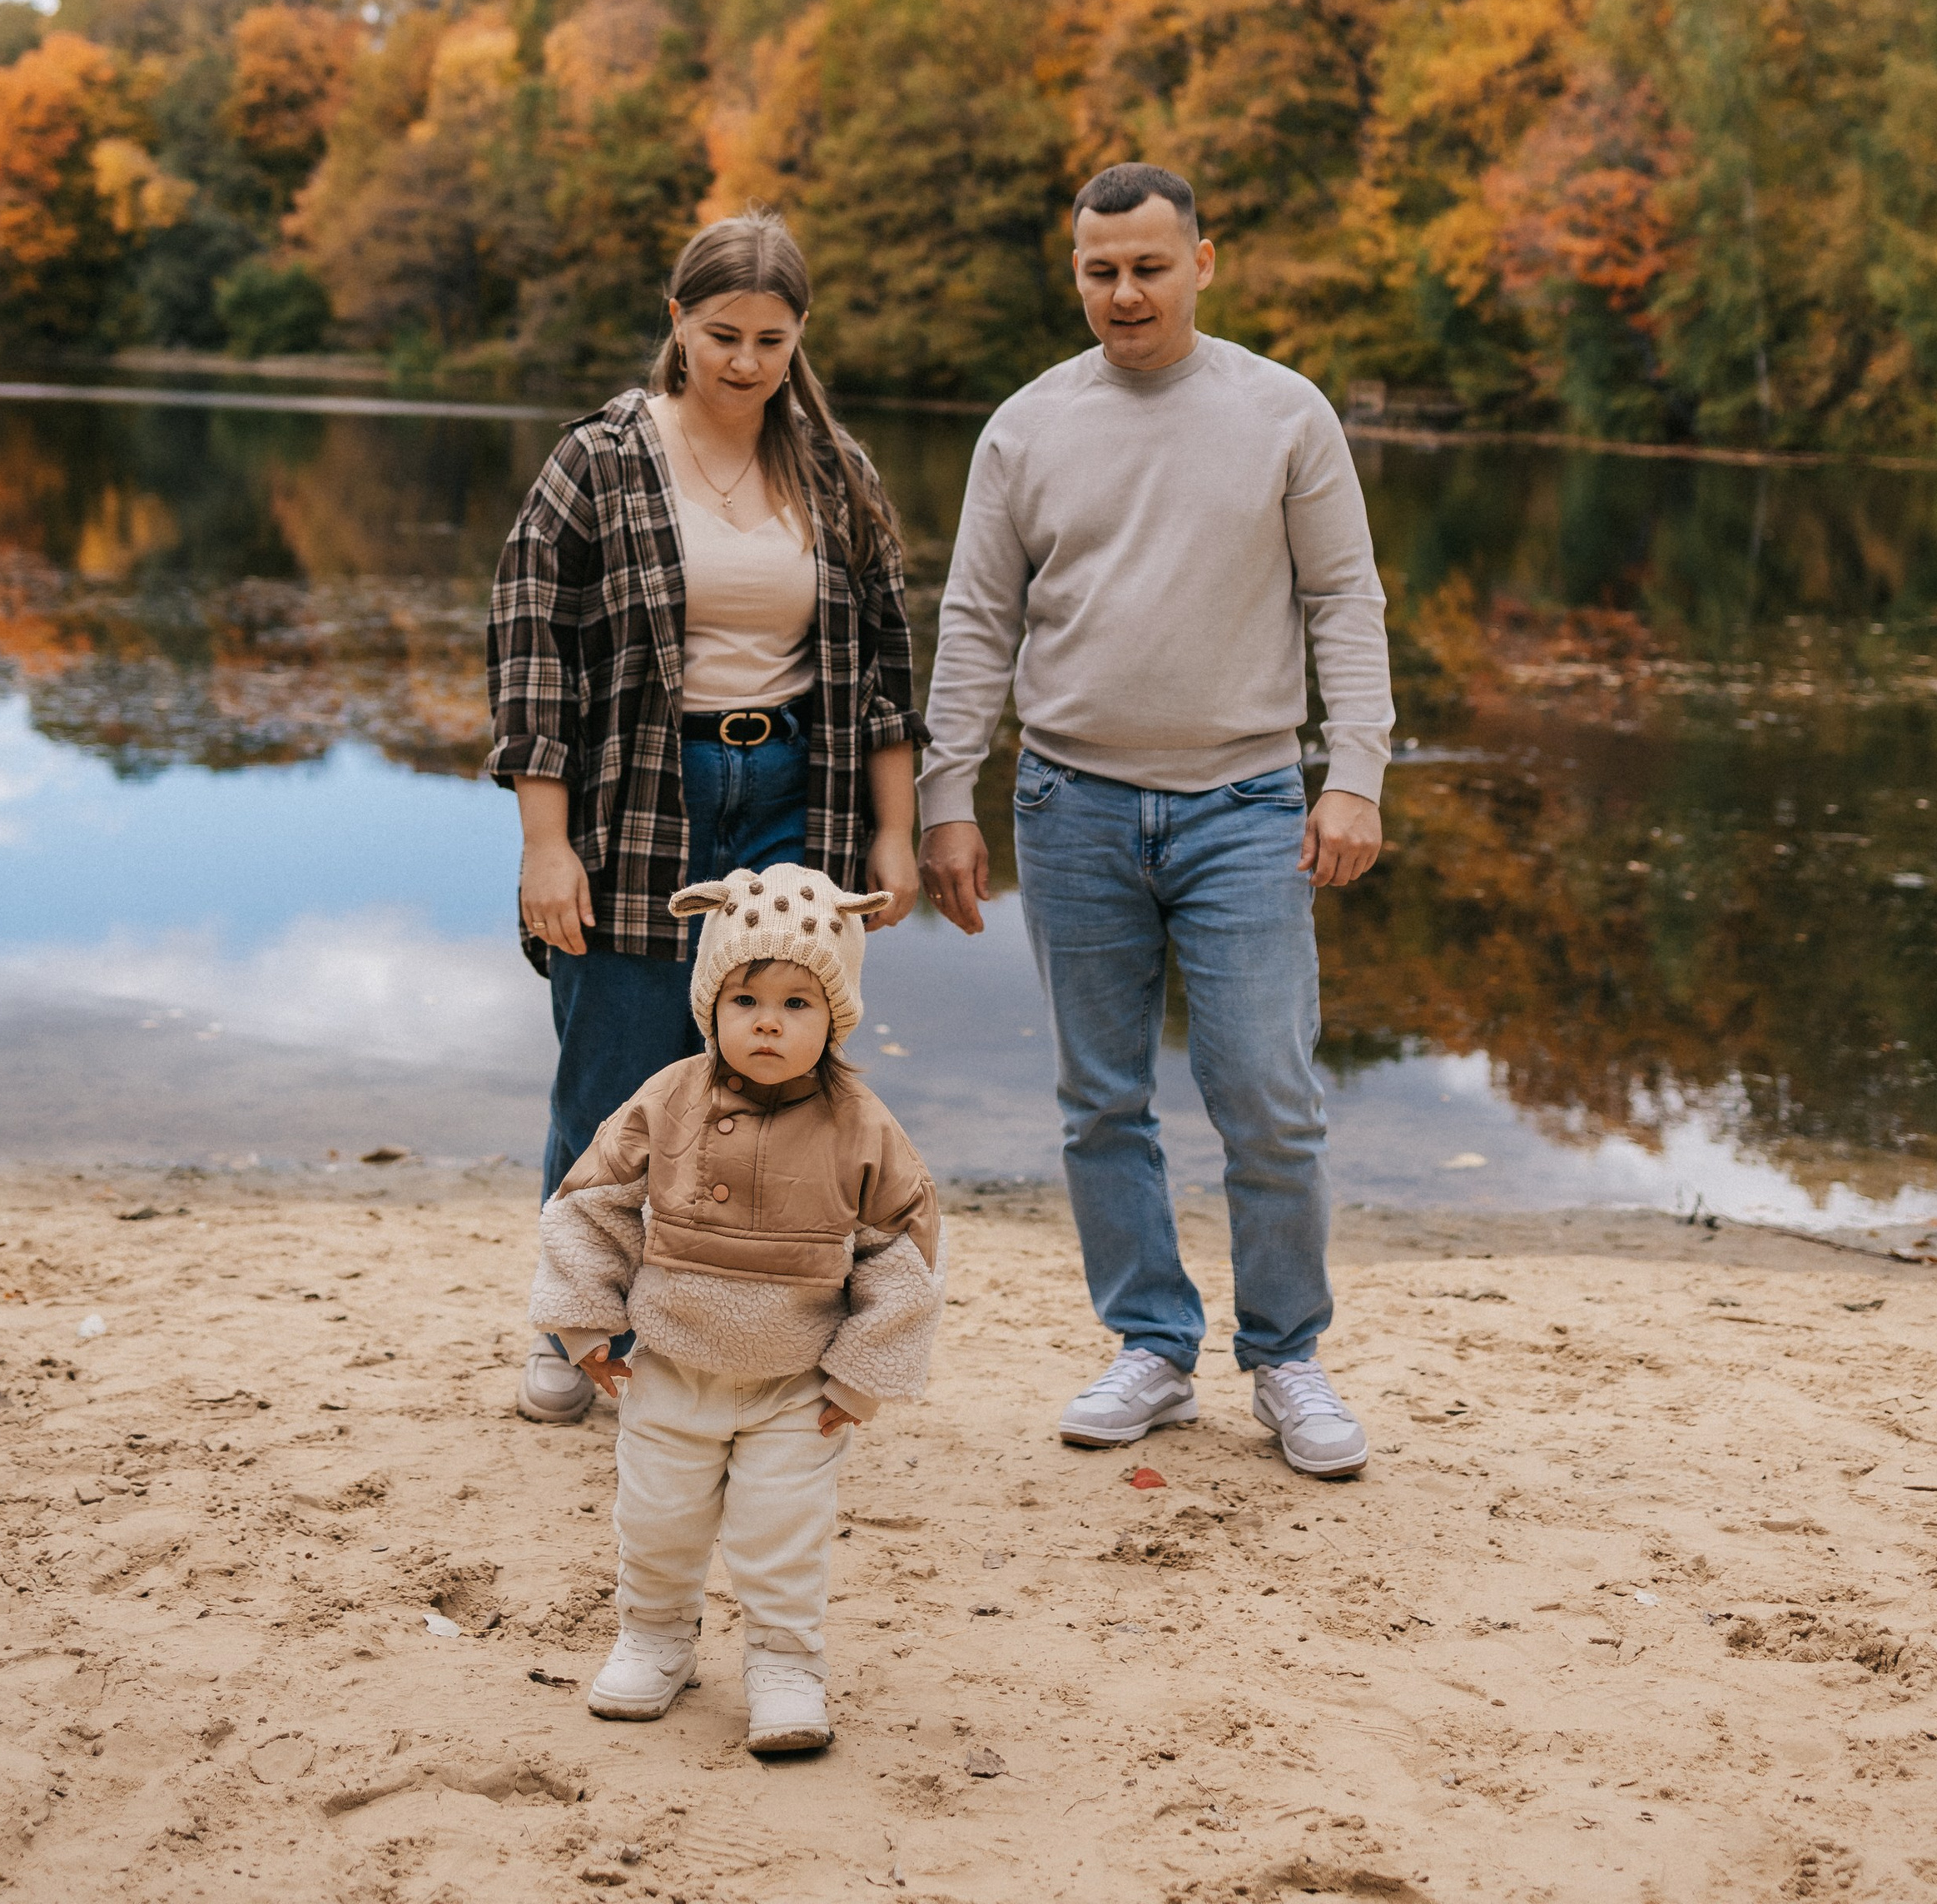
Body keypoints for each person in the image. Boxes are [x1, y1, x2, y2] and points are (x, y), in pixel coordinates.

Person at [916, 162, 1393, 1478]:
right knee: (1100, 1099)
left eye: (1149, 266)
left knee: (1269, 1093)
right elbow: (976, 621)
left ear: (1203, 262)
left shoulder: (1283, 413)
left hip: (1246, 800)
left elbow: (1345, 601)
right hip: (1071, 801)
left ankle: (1288, 1357)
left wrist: (1354, 772)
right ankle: (1152, 1347)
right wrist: (945, 794)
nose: (1124, 293)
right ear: (1075, 274)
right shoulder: (1025, 428)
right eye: (1099, 271)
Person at [489, 206, 924, 1429]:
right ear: (676, 321)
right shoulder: (601, 460)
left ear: (801, 339)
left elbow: (886, 669)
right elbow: (529, 658)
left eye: (772, 340)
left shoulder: (837, 473)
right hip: (638, 794)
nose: (745, 361)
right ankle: (575, 1327)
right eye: (722, 334)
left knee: (777, 1079)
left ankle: (746, 1336)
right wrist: (544, 839)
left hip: (797, 793)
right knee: (615, 1075)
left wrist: (893, 832)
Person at [530, 863, 945, 1753]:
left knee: (779, 1537)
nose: (767, 1020)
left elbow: (901, 1255)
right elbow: (592, 1202)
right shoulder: (669, 1098)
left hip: (795, 1387)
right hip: (672, 1368)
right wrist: (586, 1324)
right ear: (709, 1003)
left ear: (835, 1016)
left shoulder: (860, 1126)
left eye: (798, 1004)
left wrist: (861, 1374)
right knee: (657, 1521)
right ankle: (654, 1637)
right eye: (745, 997)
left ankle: (785, 1663)